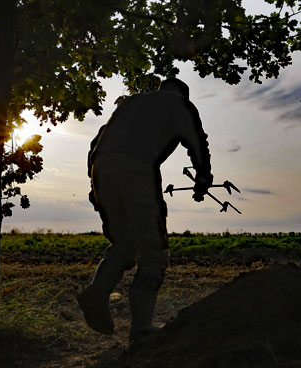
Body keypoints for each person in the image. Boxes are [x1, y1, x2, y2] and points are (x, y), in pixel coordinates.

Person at [77, 77, 213, 342]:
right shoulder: (180, 105)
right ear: (182, 94)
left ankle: (97, 290)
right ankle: (141, 330)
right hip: (135, 168)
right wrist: (202, 178)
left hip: (101, 168)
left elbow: (96, 142)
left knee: (124, 243)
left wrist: (96, 187)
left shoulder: (131, 102)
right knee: (154, 252)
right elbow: (197, 141)